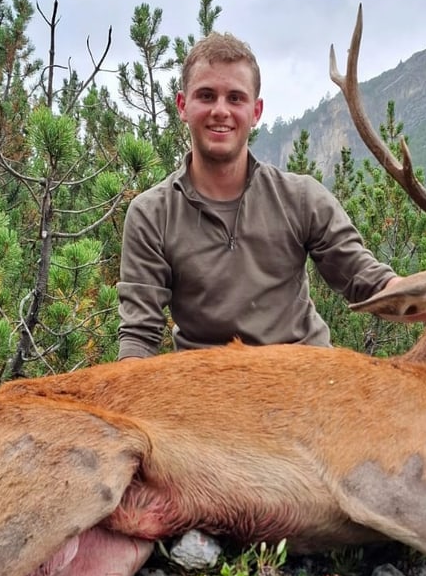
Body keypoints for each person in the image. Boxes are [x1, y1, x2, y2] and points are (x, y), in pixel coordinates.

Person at [116, 31, 403, 359]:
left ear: (256, 111)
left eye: (235, 98)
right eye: (206, 96)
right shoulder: (152, 214)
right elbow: (139, 335)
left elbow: (366, 280)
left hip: (306, 378)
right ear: (183, 106)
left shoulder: (301, 198)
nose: (221, 110)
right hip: (206, 390)